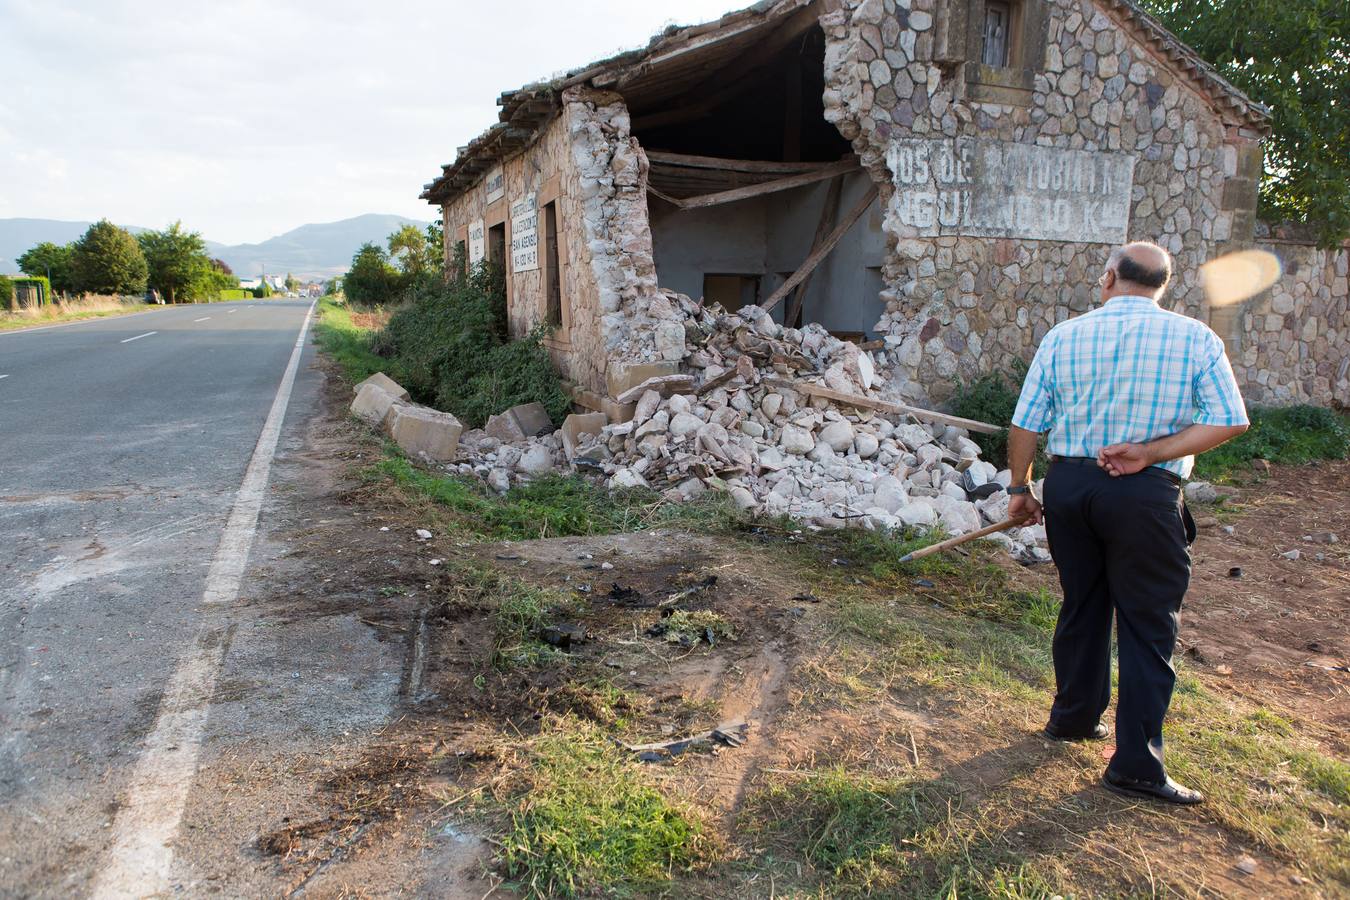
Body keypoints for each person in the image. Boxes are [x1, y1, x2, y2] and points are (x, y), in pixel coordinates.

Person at [1005, 241, 1249, 805]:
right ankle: (1136, 766)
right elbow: (1230, 420)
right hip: (1143, 492)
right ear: (1162, 286)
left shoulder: (1065, 336)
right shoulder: (1195, 338)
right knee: (1147, 623)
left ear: (1109, 277)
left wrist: (1021, 488)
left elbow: (1026, 422)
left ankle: (1071, 718)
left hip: (1070, 486)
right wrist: (1153, 452)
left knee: (1082, 603)